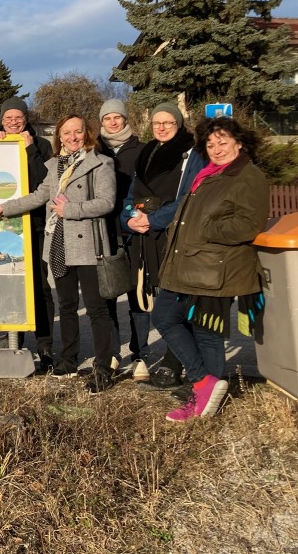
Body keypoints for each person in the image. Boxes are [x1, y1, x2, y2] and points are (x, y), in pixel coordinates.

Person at [0, 114, 117, 393]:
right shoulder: (56, 165)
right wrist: (4, 208)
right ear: (58, 137)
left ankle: (104, 368)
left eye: (78, 132)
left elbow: (107, 202)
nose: (72, 137)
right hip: (59, 241)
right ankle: (68, 360)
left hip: (88, 245)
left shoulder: (101, 163)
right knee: (67, 305)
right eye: (66, 133)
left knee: (97, 309)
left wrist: (69, 210)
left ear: (87, 134)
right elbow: (38, 196)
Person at [152, 116, 269, 422]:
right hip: (188, 265)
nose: (216, 148)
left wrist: (207, 228)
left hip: (216, 268)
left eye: (223, 142)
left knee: (207, 332)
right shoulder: (208, 174)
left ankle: (204, 399)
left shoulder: (247, 176)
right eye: (210, 143)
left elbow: (249, 223)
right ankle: (205, 382)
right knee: (164, 317)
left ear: (239, 143)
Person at [119, 103, 203, 388]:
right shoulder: (147, 152)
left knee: (174, 304)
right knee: (148, 296)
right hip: (145, 237)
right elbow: (132, 193)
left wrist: (153, 219)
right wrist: (130, 219)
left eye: (168, 122)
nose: (162, 127)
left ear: (179, 124)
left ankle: (173, 362)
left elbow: (189, 198)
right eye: (157, 123)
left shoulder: (191, 155)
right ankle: (151, 357)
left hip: (172, 236)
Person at [0, 97, 56, 367]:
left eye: (18, 117)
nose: (13, 122)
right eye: (8, 118)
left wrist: (30, 151)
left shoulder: (42, 145)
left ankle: (45, 343)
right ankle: (13, 337)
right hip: (7, 224)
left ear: (26, 118)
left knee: (40, 285)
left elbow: (45, 182)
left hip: (37, 223)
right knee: (9, 280)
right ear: (2, 120)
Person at [94, 98, 143, 375]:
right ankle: (112, 353)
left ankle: (140, 353)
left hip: (133, 230)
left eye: (117, 117)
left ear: (125, 119)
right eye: (107, 118)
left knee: (137, 296)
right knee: (108, 293)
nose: (112, 123)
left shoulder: (141, 150)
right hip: (103, 230)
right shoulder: (95, 150)